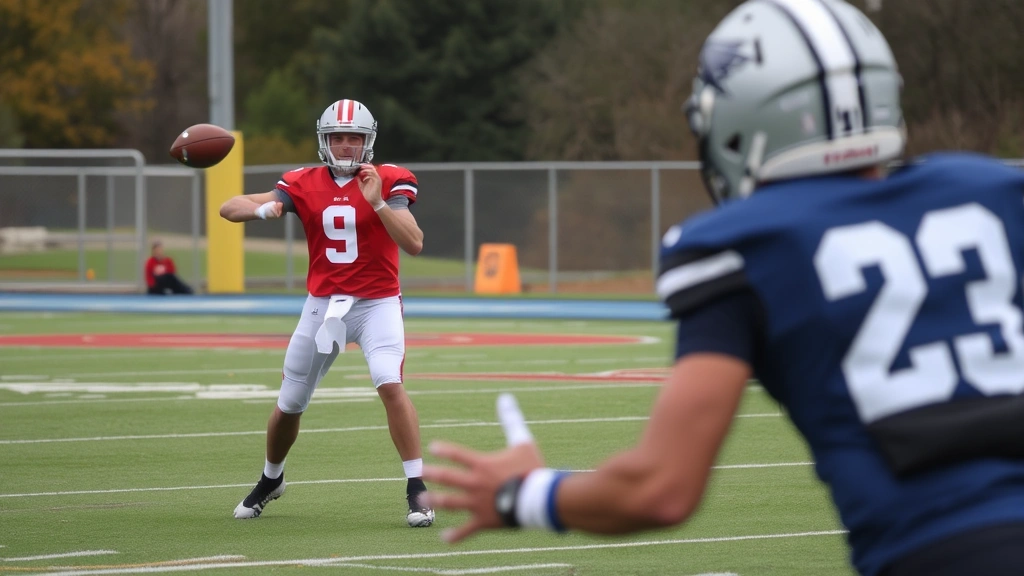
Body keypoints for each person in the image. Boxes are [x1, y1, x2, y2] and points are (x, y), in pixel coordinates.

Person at [421, 1, 1024, 574]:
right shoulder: (991, 192)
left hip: (947, 553)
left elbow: (662, 488)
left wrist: (528, 494)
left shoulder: (745, 245)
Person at [218, 99, 434, 527]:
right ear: (324, 141)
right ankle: (271, 478)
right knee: (290, 402)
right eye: (338, 137)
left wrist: (377, 202)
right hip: (323, 304)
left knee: (390, 383)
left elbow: (414, 243)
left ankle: (417, 488)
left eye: (354, 137)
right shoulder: (302, 182)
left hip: (377, 303)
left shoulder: (390, 178)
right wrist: (265, 209)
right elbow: (229, 207)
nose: (346, 145)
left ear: (367, 141)